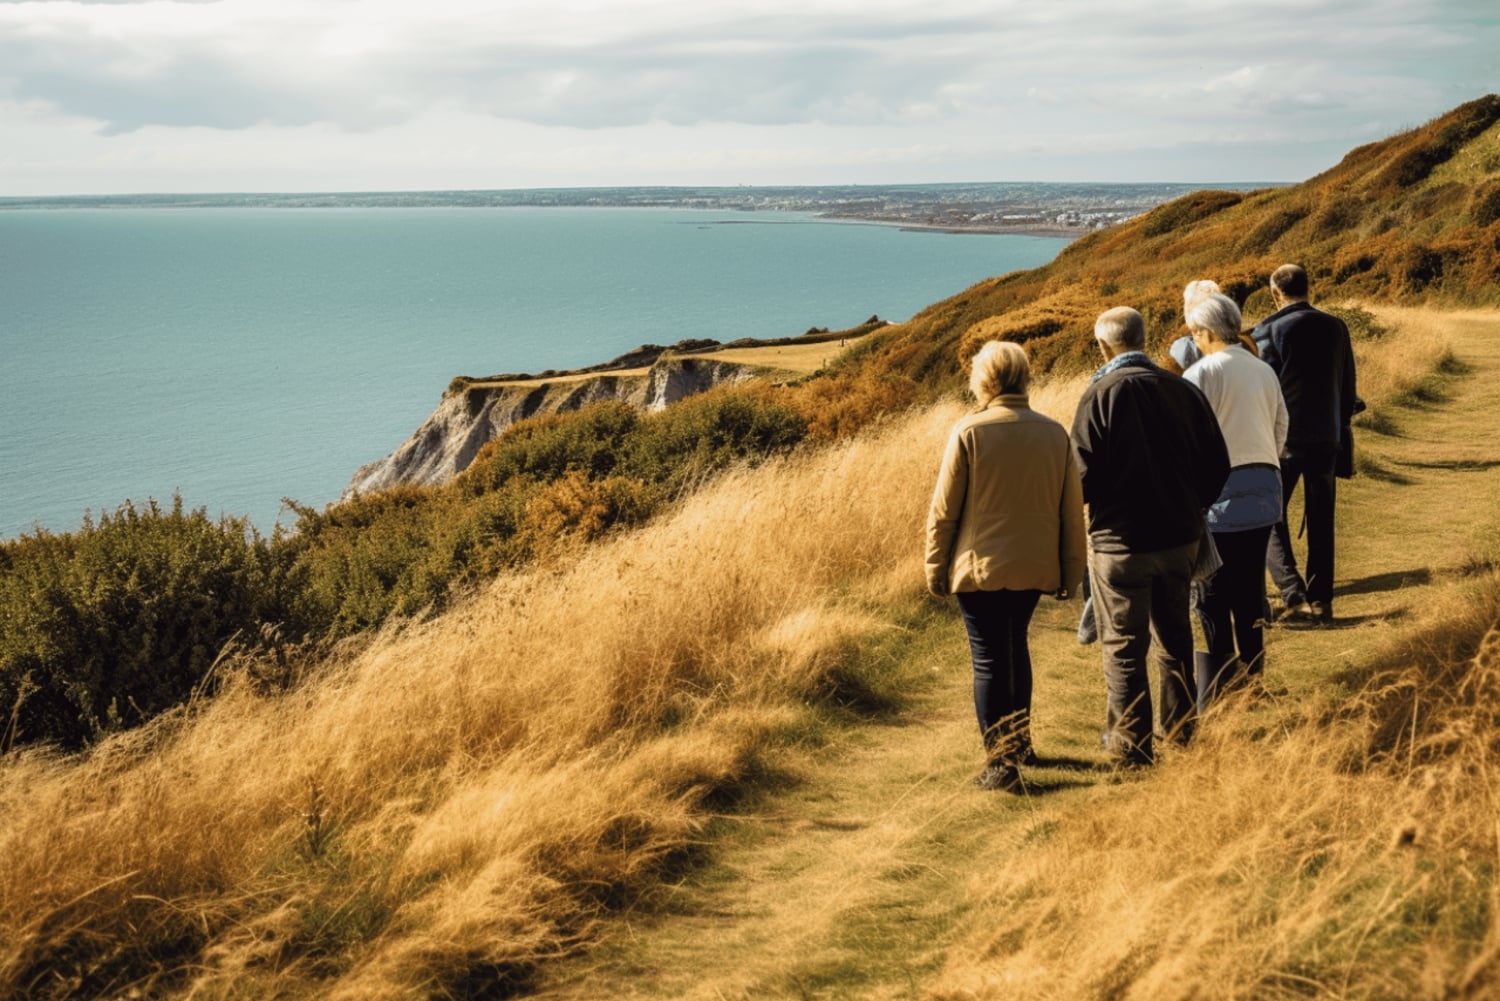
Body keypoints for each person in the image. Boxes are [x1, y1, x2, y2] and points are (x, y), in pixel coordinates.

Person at [1070, 307, 1230, 766]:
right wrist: (1190, 505)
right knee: (1175, 636)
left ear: (1104, 346)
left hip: (1119, 542)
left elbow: (1079, 477)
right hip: (1180, 537)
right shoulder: (1182, 390)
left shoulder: (1098, 394)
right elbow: (1218, 465)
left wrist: (1106, 505)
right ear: (1146, 339)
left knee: (1123, 644)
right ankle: (1181, 732)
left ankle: (1130, 743)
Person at [925, 340, 1086, 792]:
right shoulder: (1054, 432)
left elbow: (944, 512)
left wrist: (935, 569)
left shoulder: (970, 431)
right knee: (1015, 648)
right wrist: (1072, 570)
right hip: (1034, 565)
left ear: (985, 381)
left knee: (991, 660)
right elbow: (1071, 510)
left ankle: (1001, 764)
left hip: (981, 568)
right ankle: (1021, 745)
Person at [1182, 293, 1289, 707]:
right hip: (1264, 484)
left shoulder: (1201, 373)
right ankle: (1254, 676)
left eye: (1195, 333)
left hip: (1219, 490)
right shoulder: (1263, 370)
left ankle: (1223, 682)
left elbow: (1188, 436)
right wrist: (1268, 461)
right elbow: (1282, 424)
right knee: (1249, 588)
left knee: (1211, 591)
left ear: (1207, 332)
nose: (1195, 340)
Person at [1251, 264, 1358, 625]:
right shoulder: (1336, 326)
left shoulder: (1267, 329)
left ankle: (1293, 595)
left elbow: (1262, 388)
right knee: (1322, 521)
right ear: (1307, 287)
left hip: (1283, 441)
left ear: (1275, 292)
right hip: (1328, 437)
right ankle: (1322, 601)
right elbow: (1348, 386)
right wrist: (1340, 426)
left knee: (1268, 516)